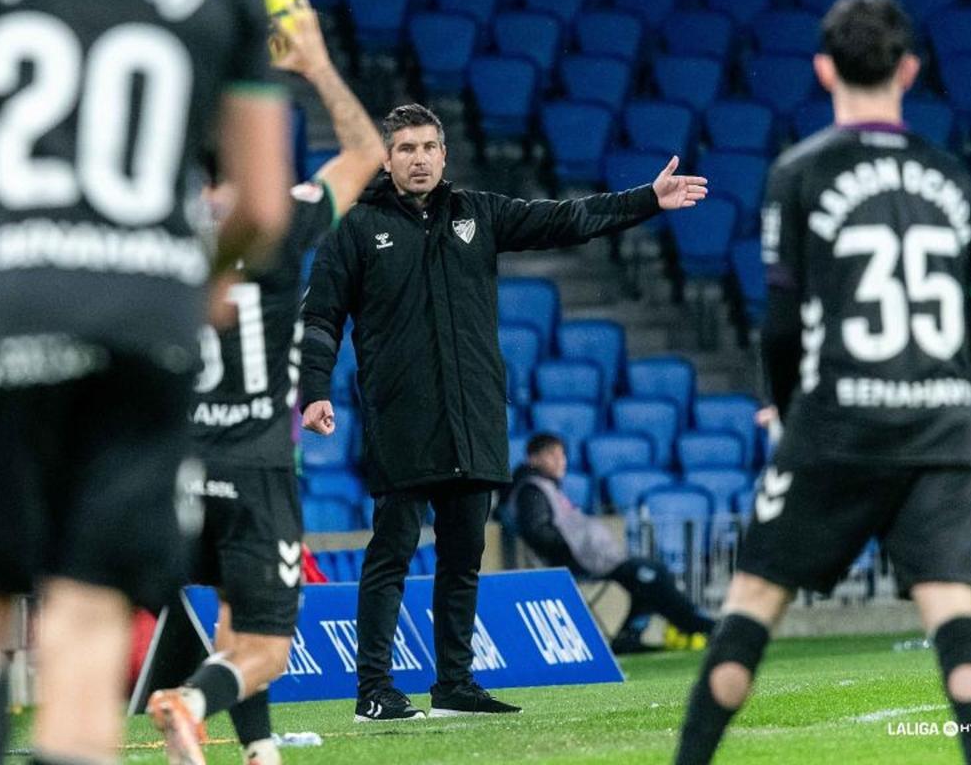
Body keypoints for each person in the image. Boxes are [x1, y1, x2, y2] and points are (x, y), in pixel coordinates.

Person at [0, 0, 292, 763]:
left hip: (12, 313)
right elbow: (265, 208)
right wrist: (203, 276)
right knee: (89, 618)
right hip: (149, 332)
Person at [674, 0, 971, 765]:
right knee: (954, 611)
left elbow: (781, 327)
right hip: (942, 423)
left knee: (752, 605)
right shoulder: (953, 178)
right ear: (910, 70)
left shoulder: (798, 173)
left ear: (823, 69)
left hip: (838, 426)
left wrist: (787, 414)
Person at [300, 102, 709, 722]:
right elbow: (321, 316)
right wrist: (315, 389)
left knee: (464, 556)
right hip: (402, 419)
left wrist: (645, 199)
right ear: (386, 158)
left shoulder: (478, 213)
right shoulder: (356, 229)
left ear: (444, 154)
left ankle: (455, 684)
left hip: (474, 417)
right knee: (393, 552)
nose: (418, 159)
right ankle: (374, 689)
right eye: (405, 149)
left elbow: (566, 219)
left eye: (428, 147)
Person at [148, 0, 384, 765]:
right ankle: (190, 700)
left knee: (229, 622)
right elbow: (365, 154)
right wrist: (313, 63)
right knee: (266, 646)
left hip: (178, 466)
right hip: (256, 466)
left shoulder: (159, 230)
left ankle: (260, 752)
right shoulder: (281, 217)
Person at [508, 434, 716, 653]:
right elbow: (538, 533)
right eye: (551, 455)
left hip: (593, 558)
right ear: (533, 459)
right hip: (578, 561)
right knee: (650, 573)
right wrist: (578, 546)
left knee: (648, 576)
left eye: (562, 455)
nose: (561, 461)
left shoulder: (549, 487)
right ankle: (697, 624)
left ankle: (631, 636)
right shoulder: (532, 490)